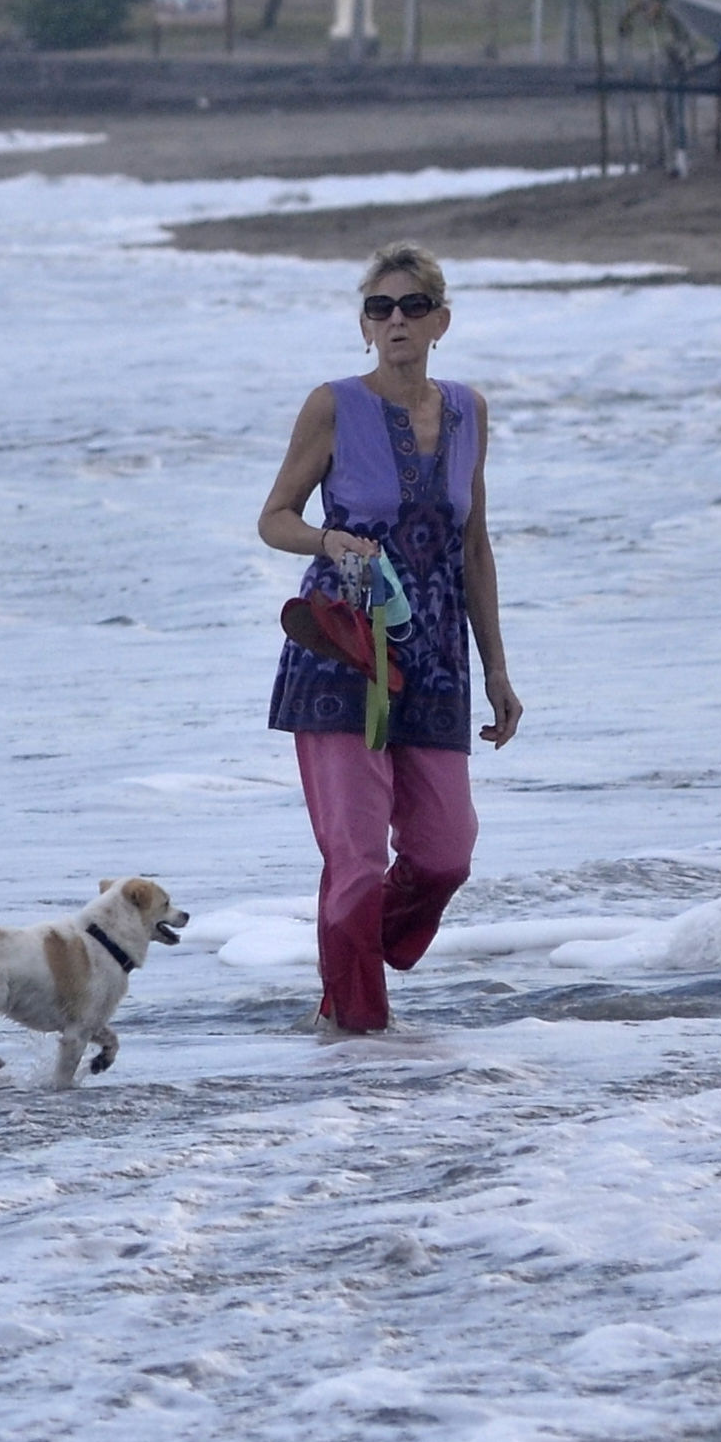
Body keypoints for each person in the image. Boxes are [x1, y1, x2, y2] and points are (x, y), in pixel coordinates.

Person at [255, 245, 521, 1034]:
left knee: (446, 852)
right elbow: (274, 517)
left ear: (440, 320)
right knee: (357, 859)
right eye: (379, 308)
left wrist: (497, 668)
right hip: (341, 648)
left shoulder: (469, 409)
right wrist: (328, 541)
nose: (395, 320)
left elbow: (473, 543)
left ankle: (351, 962)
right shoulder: (332, 404)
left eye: (411, 307)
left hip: (436, 655)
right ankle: (358, 1038)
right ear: (363, 325)